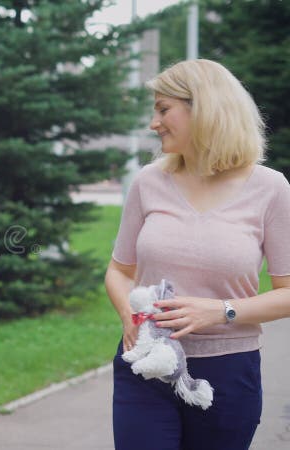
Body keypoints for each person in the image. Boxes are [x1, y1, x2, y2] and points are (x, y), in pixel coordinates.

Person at [106, 58, 290, 450]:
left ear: (203, 109)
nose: (153, 123)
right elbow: (119, 271)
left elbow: (287, 291)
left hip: (227, 373)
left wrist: (222, 310)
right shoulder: (148, 181)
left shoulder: (271, 189)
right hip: (145, 366)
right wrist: (131, 318)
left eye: (163, 109)